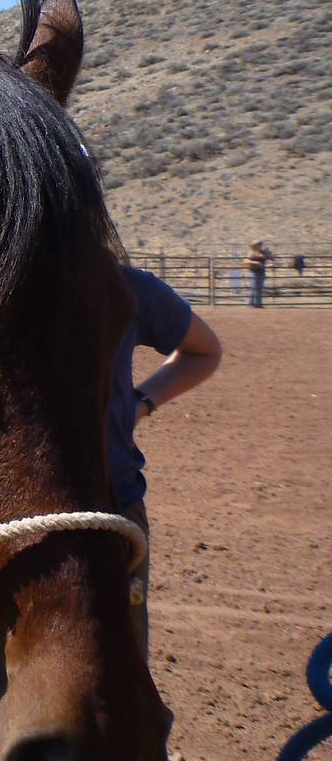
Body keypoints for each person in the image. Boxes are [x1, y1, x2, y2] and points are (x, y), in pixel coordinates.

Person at [108, 267, 223, 659]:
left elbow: (204, 350)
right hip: (4, 520)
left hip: (112, 509)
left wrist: (143, 403)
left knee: (120, 676)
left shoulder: (124, 286)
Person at [246, 240, 274, 307]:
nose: (260, 246)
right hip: (253, 272)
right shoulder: (251, 252)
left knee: (260, 288)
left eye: (261, 245)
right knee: (253, 288)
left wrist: (269, 253)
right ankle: (251, 303)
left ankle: (258, 304)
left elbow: (272, 258)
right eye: (259, 244)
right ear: (255, 246)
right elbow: (246, 261)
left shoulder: (264, 252)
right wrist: (255, 262)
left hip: (261, 272)